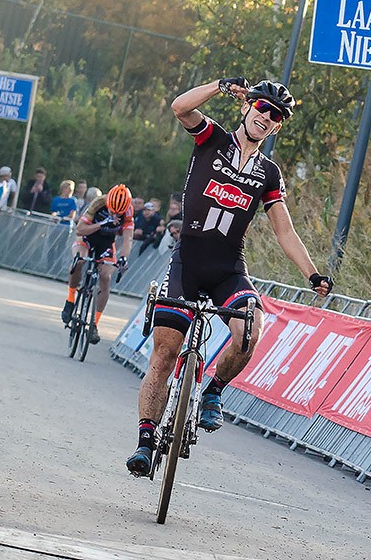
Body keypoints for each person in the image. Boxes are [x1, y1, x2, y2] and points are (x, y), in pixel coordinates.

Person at [126, 78, 333, 477]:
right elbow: (180, 107)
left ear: (276, 127)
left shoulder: (268, 174)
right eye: (261, 108)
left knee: (250, 329)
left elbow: (284, 231)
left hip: (227, 269)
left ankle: (213, 391)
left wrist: (312, 274)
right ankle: (146, 442)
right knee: (165, 353)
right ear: (247, 108)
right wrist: (220, 86)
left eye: (275, 115)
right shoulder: (212, 140)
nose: (266, 117)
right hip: (187, 261)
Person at [60, 184, 134, 345]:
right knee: (79, 261)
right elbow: (80, 230)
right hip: (87, 238)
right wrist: (102, 224)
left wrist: (124, 258)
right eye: (112, 210)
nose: (115, 214)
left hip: (106, 243)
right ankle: (70, 299)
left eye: (118, 212)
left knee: (106, 277)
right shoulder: (98, 202)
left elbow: (128, 238)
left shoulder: (128, 211)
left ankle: (94, 324)